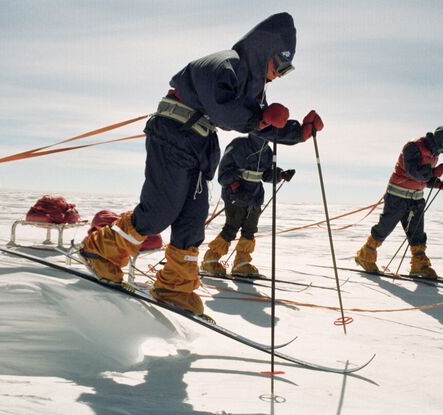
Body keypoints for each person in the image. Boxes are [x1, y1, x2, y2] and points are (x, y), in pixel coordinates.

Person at [78, 13, 323, 316]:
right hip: (174, 133)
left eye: (287, 70)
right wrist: (261, 117)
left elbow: (256, 124)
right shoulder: (225, 65)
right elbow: (226, 112)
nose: (279, 75)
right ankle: (100, 251)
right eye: (281, 65)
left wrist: (299, 132)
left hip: (199, 142)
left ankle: (175, 288)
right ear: (265, 52)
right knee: (160, 210)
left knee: (193, 220)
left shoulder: (250, 85)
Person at [354, 126, 443, 279]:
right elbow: (412, 171)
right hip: (397, 196)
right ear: (436, 141)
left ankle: (419, 266)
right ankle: (365, 256)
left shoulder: (434, 155)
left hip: (416, 199)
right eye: (442, 147)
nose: (441, 152)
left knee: (417, 234)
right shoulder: (413, 147)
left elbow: (422, 178)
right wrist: (432, 172)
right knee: (385, 227)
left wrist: (436, 183)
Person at [201, 132, 299, 278]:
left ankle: (241, 263)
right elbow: (223, 173)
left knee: (250, 230)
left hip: (255, 197)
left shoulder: (267, 151)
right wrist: (234, 185)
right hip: (235, 195)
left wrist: (281, 175)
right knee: (231, 228)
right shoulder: (238, 144)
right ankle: (210, 259)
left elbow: (266, 175)